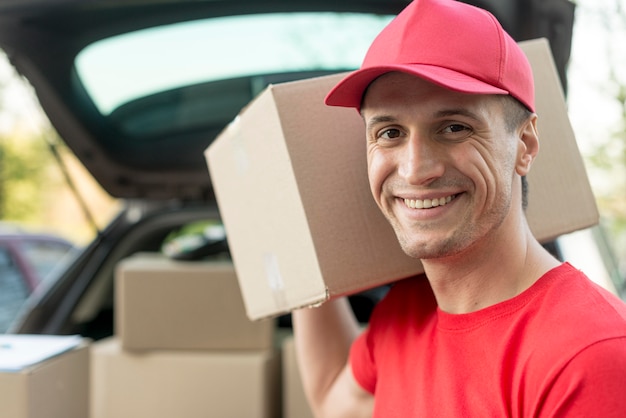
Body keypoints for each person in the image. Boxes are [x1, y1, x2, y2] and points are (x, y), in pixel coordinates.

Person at [291, 0, 626, 417]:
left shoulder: (588, 356)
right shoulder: (402, 315)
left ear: (525, 145)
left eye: (454, 128)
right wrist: (296, 238)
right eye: (390, 132)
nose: (415, 170)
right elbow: (332, 403)